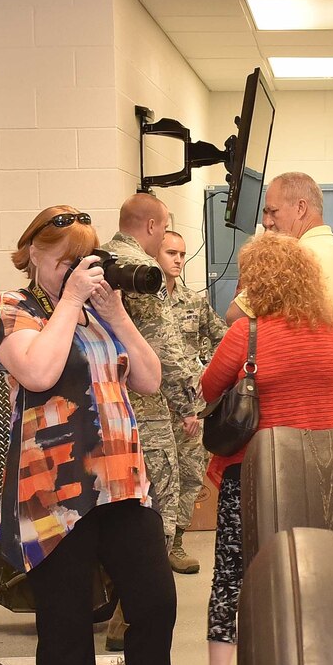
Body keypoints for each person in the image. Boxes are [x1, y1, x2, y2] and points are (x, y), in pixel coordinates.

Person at [0, 205, 194, 665]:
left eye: (80, 261)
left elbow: (150, 379)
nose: (72, 272)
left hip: (123, 481)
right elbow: (39, 369)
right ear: (33, 258)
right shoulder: (16, 312)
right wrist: (70, 303)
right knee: (68, 622)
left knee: (155, 603)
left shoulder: (100, 313)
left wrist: (116, 314)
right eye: (60, 263)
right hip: (56, 490)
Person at [187, 234, 333, 665]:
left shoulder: (247, 334)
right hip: (321, 476)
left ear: (258, 281)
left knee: (233, 578)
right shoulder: (328, 332)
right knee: (313, 576)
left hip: (257, 477)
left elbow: (207, 387)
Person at [105, 194, 203, 576]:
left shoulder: (101, 257)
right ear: (150, 226)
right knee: (154, 513)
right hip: (144, 409)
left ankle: (117, 612)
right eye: (163, 228)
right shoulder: (142, 270)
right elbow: (163, 346)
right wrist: (190, 404)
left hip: (105, 408)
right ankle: (132, 619)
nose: (162, 236)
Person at [226, 171, 333, 368]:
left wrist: (257, 261)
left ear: (300, 208)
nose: (266, 222)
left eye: (273, 211)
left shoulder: (293, 260)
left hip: (303, 389)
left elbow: (233, 316)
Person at [158, 227, 223, 573]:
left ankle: (177, 543)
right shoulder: (144, 303)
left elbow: (221, 339)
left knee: (190, 473)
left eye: (182, 254)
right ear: (156, 254)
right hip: (151, 406)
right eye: (171, 253)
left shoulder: (194, 302)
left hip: (191, 408)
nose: (179, 260)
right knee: (158, 478)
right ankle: (156, 544)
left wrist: (207, 370)